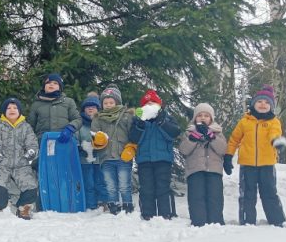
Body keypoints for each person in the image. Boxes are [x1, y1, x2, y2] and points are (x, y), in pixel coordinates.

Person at [225, 85, 286, 227]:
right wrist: (228, 156)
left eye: (266, 102)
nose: (263, 104)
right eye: (260, 101)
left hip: (267, 164)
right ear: (253, 104)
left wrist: (276, 141)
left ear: (271, 106)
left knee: (269, 192)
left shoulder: (273, 122)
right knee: (247, 193)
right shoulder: (244, 122)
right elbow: (234, 139)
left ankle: (277, 220)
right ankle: (247, 220)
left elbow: (275, 133)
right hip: (247, 165)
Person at [128, 89, 181, 220]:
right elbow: (134, 139)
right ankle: (147, 214)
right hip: (144, 160)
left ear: (159, 105)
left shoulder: (167, 118)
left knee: (162, 187)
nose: (150, 105)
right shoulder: (138, 121)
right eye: (147, 103)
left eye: (153, 103)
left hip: (163, 160)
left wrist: (162, 122)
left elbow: (174, 133)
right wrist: (140, 124)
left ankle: (165, 214)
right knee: (146, 188)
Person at [0, 97, 38, 220]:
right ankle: (0, 206)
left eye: (15, 108)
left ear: (19, 111)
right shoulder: (0, 127)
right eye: (8, 108)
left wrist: (31, 152)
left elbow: (32, 142)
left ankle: (24, 208)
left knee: (31, 186)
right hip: (2, 163)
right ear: (4, 112)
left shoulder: (25, 127)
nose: (12, 110)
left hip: (21, 164)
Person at [178, 103, 227, 226]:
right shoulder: (189, 132)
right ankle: (198, 221)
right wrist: (193, 139)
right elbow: (183, 150)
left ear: (211, 118)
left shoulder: (217, 132)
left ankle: (216, 220)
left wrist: (212, 138)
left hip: (214, 170)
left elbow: (223, 150)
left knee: (215, 196)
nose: (203, 118)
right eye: (200, 115)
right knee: (196, 196)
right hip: (195, 170)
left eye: (206, 115)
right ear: (195, 118)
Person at [90, 84, 134, 214]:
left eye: (111, 102)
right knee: (110, 186)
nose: (108, 105)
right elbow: (93, 135)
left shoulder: (126, 116)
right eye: (105, 102)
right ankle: (113, 206)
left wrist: (131, 148)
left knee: (124, 184)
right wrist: (98, 140)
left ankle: (127, 206)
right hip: (106, 157)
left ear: (117, 102)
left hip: (123, 156)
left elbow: (133, 134)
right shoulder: (98, 118)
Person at [26, 73, 81, 142]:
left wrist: (70, 128)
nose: (51, 84)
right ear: (44, 86)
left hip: (63, 142)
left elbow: (78, 119)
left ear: (60, 87)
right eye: (48, 83)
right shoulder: (36, 104)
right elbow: (30, 127)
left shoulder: (68, 102)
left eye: (55, 83)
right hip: (42, 143)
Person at [76, 92, 104, 210]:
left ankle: (104, 203)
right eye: (88, 106)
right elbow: (76, 138)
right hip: (85, 159)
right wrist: (79, 148)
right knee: (88, 183)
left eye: (94, 106)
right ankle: (91, 205)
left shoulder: (102, 123)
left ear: (98, 109)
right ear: (84, 109)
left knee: (100, 182)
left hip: (99, 159)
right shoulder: (80, 124)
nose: (91, 108)